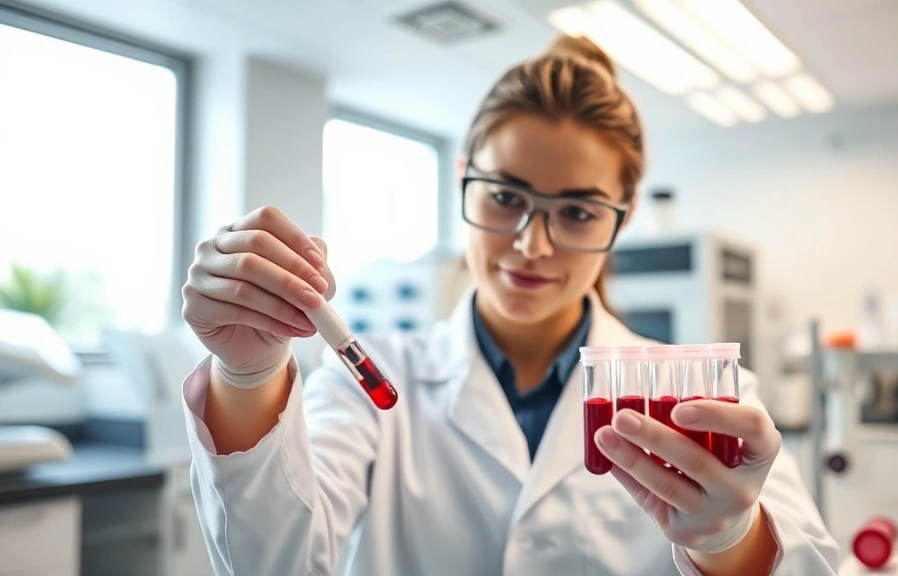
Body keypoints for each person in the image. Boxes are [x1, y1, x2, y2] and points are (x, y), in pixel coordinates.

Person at [180, 36, 839, 576]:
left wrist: (731, 542)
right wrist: (248, 376)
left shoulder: (705, 394)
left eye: (577, 212)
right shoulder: (373, 382)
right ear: (465, 176)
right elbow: (272, 566)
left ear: (624, 216)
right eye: (505, 197)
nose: (532, 245)